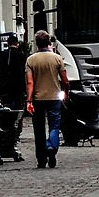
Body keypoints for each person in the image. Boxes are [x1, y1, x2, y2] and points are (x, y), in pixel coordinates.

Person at [25, 30, 69, 169]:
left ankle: (41, 159)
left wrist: (29, 100)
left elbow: (30, 82)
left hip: (38, 98)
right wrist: (66, 94)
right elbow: (65, 81)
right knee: (54, 125)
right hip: (54, 97)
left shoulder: (31, 60)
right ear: (49, 42)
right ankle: (51, 147)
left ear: (37, 44)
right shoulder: (57, 58)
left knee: (39, 128)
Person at [0, 34, 28, 162]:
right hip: (17, 89)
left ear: (8, 43)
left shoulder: (3, 55)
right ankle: (14, 138)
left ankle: (5, 137)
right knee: (17, 114)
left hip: (4, 88)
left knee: (4, 114)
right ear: (17, 43)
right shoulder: (21, 55)